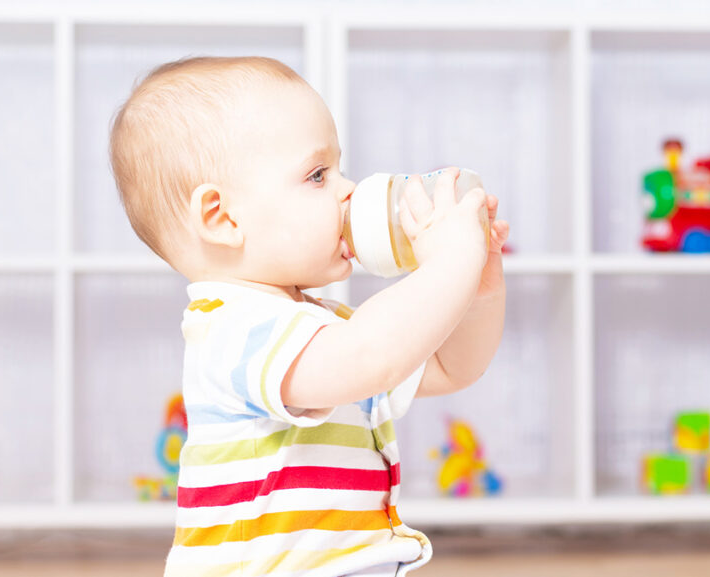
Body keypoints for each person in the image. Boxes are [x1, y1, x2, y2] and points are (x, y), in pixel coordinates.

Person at [109, 55, 509, 577]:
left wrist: (477, 289)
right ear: (223, 217)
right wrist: (447, 264)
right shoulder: (233, 330)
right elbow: (369, 357)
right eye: (318, 174)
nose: (348, 189)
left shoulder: (320, 324)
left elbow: (452, 368)